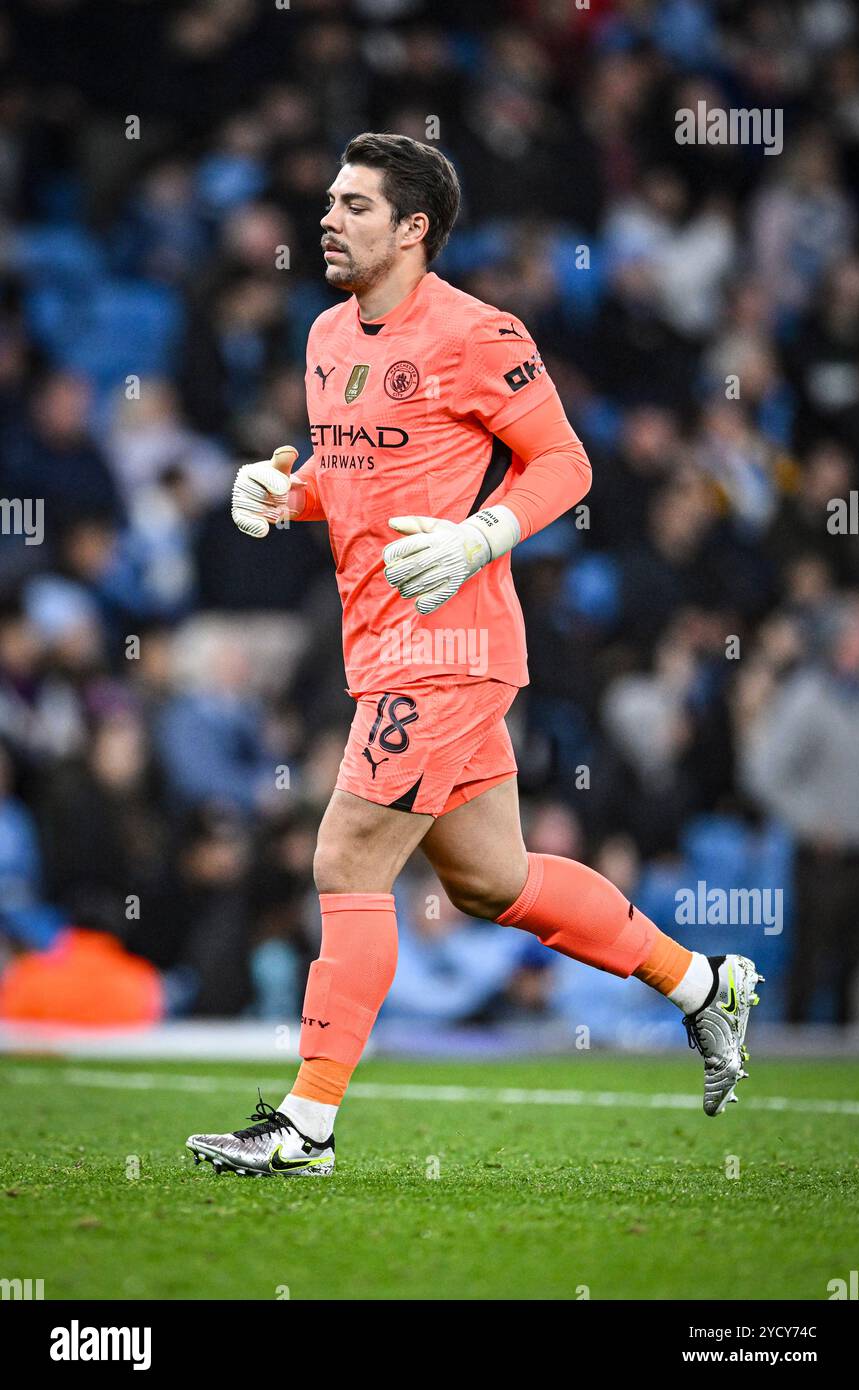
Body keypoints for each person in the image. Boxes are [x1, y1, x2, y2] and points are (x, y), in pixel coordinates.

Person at [186, 133, 762, 1178]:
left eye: (355, 205)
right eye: (329, 200)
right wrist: (283, 493)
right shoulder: (322, 335)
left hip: (449, 643)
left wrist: (480, 535)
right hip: (382, 641)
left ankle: (306, 1127)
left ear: (413, 228)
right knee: (494, 880)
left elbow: (566, 462)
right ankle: (702, 983)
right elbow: (353, 472)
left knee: (345, 858)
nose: (328, 217)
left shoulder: (478, 331)